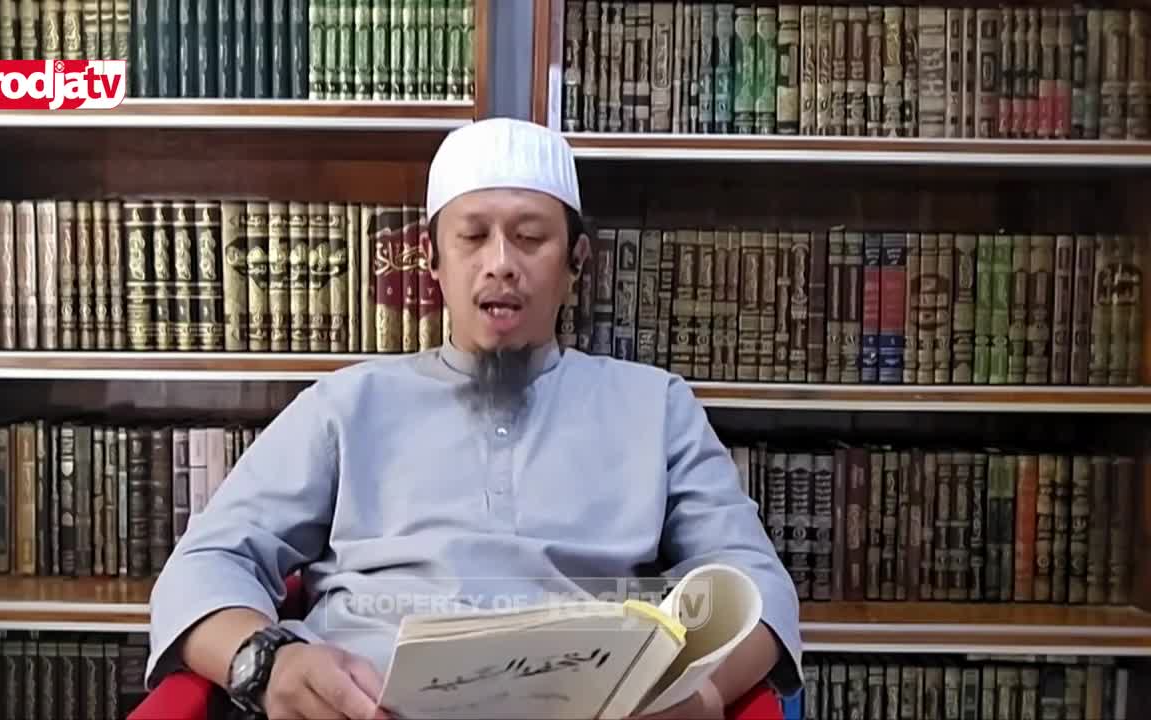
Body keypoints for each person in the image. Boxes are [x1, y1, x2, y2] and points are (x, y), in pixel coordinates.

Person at [145, 117, 803, 720]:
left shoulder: (655, 405)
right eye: (472, 236)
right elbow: (207, 562)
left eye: (529, 237)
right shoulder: (346, 404)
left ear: (576, 260)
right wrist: (269, 663)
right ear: (433, 261)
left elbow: (756, 586)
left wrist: (706, 699)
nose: (501, 263)